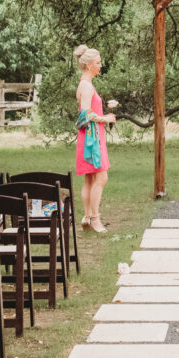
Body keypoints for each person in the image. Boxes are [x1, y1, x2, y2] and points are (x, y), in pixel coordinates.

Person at [74, 44, 116, 233]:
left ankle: (87, 216)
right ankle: (95, 218)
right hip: (92, 138)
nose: (101, 65)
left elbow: (90, 109)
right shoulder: (87, 86)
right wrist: (105, 118)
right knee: (101, 177)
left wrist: (103, 111)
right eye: (98, 62)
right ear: (89, 65)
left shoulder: (84, 85)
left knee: (90, 179)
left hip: (89, 136)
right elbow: (85, 114)